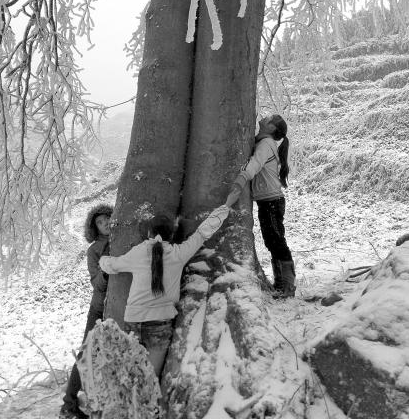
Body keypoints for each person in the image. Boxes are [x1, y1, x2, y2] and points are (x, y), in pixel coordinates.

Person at [99, 205, 230, 378]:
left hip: (133, 320)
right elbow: (202, 233)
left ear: (148, 234)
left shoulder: (138, 252)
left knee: (130, 373)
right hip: (161, 322)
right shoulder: (179, 253)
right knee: (150, 376)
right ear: (171, 236)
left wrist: (102, 259)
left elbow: (112, 266)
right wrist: (225, 208)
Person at [225, 114, 295, 298]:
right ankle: (281, 283)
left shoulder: (266, 144)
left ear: (272, 129)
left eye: (270, 119)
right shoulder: (265, 142)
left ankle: (287, 286)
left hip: (272, 201)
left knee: (276, 240)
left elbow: (255, 163)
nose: (265, 118)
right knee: (272, 240)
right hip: (269, 201)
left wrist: (241, 179)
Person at [59, 204, 113, 419]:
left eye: (107, 219)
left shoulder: (124, 238)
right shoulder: (94, 250)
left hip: (126, 305)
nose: (105, 224)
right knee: (87, 353)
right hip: (99, 308)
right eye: (100, 222)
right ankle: (69, 404)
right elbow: (96, 284)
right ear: (95, 228)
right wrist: (105, 270)